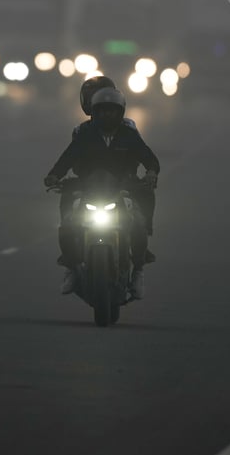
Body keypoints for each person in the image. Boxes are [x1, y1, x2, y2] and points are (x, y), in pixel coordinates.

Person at [44, 87, 160, 299]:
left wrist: (151, 173)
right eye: (103, 111)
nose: (107, 115)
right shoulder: (85, 135)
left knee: (137, 224)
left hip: (123, 187)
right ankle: (70, 266)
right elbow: (67, 159)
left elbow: (150, 159)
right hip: (88, 187)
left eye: (112, 111)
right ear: (94, 112)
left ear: (120, 112)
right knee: (68, 223)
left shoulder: (129, 135)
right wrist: (54, 175)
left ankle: (138, 272)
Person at [74, 75, 155, 236]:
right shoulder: (81, 130)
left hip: (123, 180)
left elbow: (141, 153)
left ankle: (146, 229)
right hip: (91, 183)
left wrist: (150, 172)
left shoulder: (128, 128)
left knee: (145, 197)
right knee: (69, 207)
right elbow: (73, 158)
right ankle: (71, 245)